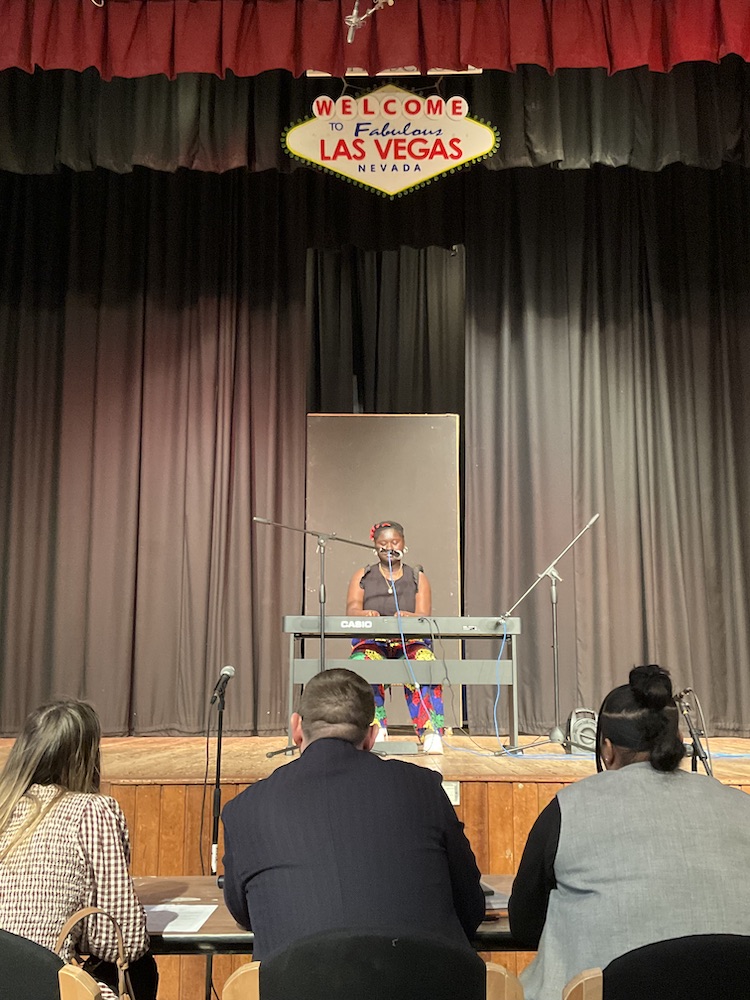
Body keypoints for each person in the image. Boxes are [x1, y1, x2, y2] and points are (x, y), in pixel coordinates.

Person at [508, 664, 750, 1000]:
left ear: (606, 749)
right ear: (680, 741)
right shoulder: (742, 806)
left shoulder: (568, 808)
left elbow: (524, 925)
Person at [221, 668, 485, 962]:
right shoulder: (424, 789)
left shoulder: (244, 809)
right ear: (372, 736)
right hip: (428, 982)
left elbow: (244, 913)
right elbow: (470, 907)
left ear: (296, 728)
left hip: (295, 983)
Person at [0, 700, 157, 1000]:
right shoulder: (91, 811)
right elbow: (123, 942)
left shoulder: (4, 809)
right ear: (86, 757)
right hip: (45, 988)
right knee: (140, 968)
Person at [346, 519, 445, 746]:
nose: (389, 547)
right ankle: (374, 729)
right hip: (373, 642)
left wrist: (409, 617)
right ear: (375, 546)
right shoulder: (363, 575)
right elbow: (351, 610)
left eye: (394, 542)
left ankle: (430, 731)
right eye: (383, 543)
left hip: (409, 643)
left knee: (425, 662)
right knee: (363, 663)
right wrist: (365, 614)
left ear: (403, 544)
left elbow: (423, 614)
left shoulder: (417, 577)